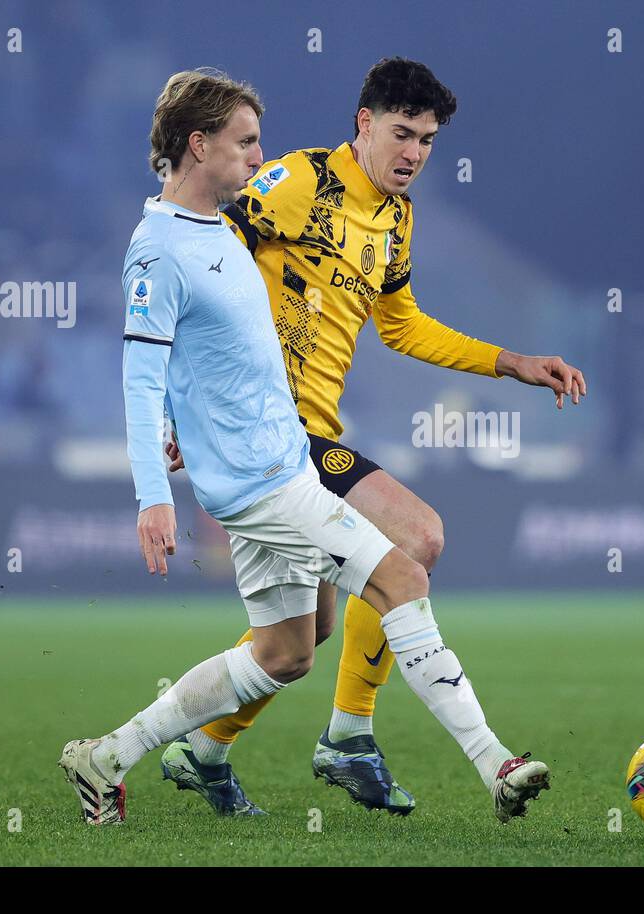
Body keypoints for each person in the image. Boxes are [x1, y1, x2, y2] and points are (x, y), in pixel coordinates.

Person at [59, 67, 551, 826]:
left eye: (428, 140)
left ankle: (130, 754)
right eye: (403, 133)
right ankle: (467, 757)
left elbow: (399, 324)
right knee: (411, 554)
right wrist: (168, 464)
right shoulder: (279, 191)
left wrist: (508, 362)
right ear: (364, 122)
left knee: (292, 646)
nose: (416, 151)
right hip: (272, 457)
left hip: (278, 443)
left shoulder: (384, 219)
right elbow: (155, 346)